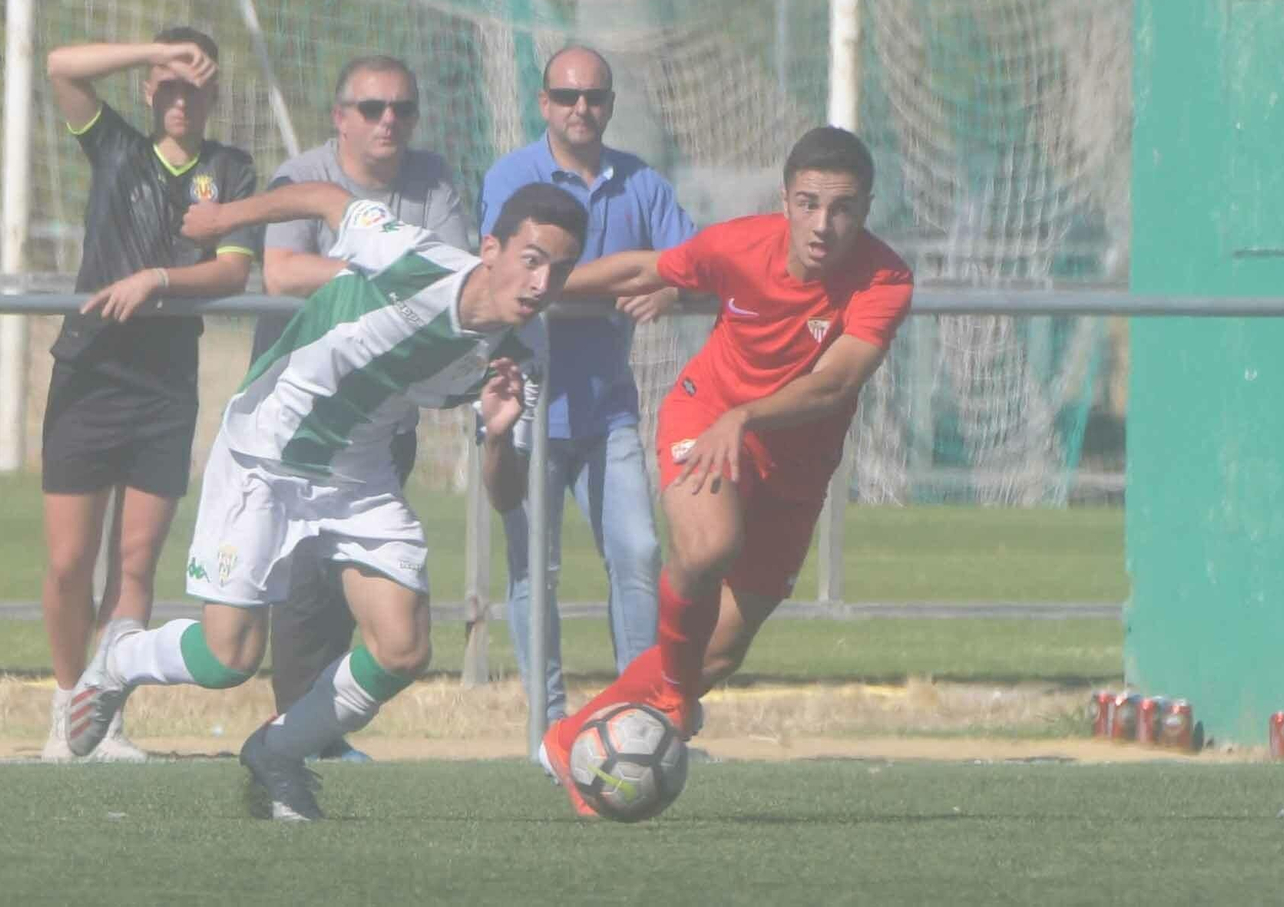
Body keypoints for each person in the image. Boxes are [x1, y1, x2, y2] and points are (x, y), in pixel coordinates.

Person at [64, 179, 587, 822]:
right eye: (532, 259)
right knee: (229, 658)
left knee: (402, 648)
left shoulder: (522, 357)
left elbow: (504, 495)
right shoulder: (412, 259)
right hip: (267, 450)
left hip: (358, 473)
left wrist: (500, 435)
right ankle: (121, 657)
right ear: (490, 250)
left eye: (560, 270)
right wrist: (225, 217)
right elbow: (325, 198)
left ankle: (278, 752)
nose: (542, 283)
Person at [533, 126, 913, 815]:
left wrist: (750, 417)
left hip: (794, 468)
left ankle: (570, 741)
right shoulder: (739, 244)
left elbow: (834, 384)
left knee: (716, 656)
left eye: (844, 208)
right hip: (705, 420)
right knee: (707, 548)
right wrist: (534, 287)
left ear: (866, 208)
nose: (823, 224)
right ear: (785, 200)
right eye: (809, 203)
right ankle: (669, 701)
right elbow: (642, 269)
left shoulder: (886, 278)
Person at [38, 29, 258, 761]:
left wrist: (159, 280)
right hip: (90, 370)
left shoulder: (230, 170)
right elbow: (61, 66)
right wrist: (149, 51)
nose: (179, 97)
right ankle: (67, 700)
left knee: (135, 565)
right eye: (167, 83)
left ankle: (103, 720)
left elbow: (231, 273)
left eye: (194, 85)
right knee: (70, 563)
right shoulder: (116, 148)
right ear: (147, 88)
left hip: (165, 385)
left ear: (213, 95)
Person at [254, 54, 468, 762]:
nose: (389, 123)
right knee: (292, 590)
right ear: (340, 116)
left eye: (402, 109)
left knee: (363, 587)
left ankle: (316, 734)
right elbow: (283, 272)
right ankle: (290, 729)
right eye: (373, 109)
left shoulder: (432, 181)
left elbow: (453, 279)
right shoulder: (303, 176)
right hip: (301, 423)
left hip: (381, 416)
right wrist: (383, 276)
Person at [477, 45, 695, 721]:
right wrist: (636, 268)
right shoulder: (510, 178)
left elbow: (693, 263)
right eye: (566, 96)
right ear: (543, 103)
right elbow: (509, 283)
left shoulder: (642, 183)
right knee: (531, 572)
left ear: (609, 105)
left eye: (594, 97)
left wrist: (669, 288)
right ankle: (547, 726)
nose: (581, 109)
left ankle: (641, 717)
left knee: (638, 552)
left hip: (607, 411)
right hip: (527, 403)